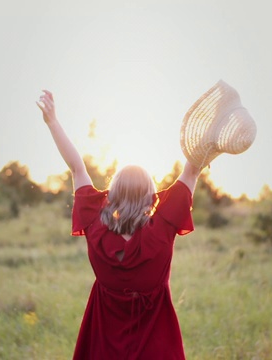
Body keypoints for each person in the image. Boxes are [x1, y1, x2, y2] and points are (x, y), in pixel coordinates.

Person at [37, 90, 202, 359]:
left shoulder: (95, 227)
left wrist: (53, 122)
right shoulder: (161, 229)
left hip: (104, 343)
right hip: (156, 345)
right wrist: (207, 136)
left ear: (111, 195)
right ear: (151, 197)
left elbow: (77, 168)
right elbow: (192, 170)